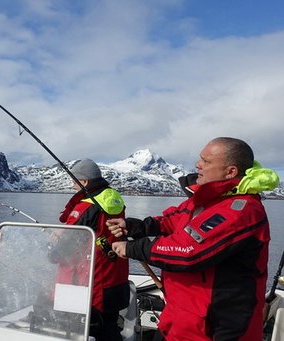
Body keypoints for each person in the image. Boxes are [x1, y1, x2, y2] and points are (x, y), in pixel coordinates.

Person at [108, 137, 280, 340]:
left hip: (216, 326)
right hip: (180, 319)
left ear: (230, 172)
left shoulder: (242, 210)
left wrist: (132, 248)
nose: (198, 165)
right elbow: (170, 220)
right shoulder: (204, 201)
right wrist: (134, 227)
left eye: (206, 161)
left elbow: (188, 251)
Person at [51, 158, 130, 341]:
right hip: (114, 275)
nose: (73, 186)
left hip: (92, 280)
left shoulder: (86, 206)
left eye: (74, 181)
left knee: (91, 328)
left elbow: (68, 243)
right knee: (110, 324)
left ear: (85, 182)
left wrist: (53, 251)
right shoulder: (113, 198)